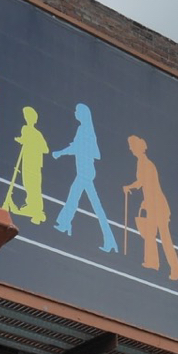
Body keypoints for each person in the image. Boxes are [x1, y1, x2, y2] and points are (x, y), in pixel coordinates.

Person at [52, 102, 117, 252]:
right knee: (84, 201)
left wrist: (60, 153)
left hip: (86, 172)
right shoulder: (85, 129)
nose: (75, 113)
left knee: (84, 201)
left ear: (83, 114)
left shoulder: (85, 130)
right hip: (84, 171)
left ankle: (109, 239)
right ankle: (66, 224)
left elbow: (83, 149)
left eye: (77, 111)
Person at [123, 136, 178, 280]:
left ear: (137, 147)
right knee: (150, 233)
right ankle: (152, 262)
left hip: (158, 205)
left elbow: (143, 183)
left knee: (165, 237)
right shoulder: (142, 162)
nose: (130, 149)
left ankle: (176, 270)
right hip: (152, 204)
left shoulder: (145, 163)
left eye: (132, 146)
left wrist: (129, 187)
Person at [4, 106, 48, 224]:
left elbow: (45, 149)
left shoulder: (35, 133)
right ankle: (32, 206)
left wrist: (29, 142)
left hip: (33, 161)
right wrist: (23, 140)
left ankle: (36, 208)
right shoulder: (26, 129)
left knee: (33, 184)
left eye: (28, 116)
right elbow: (24, 140)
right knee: (28, 183)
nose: (27, 118)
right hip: (28, 160)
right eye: (26, 116)